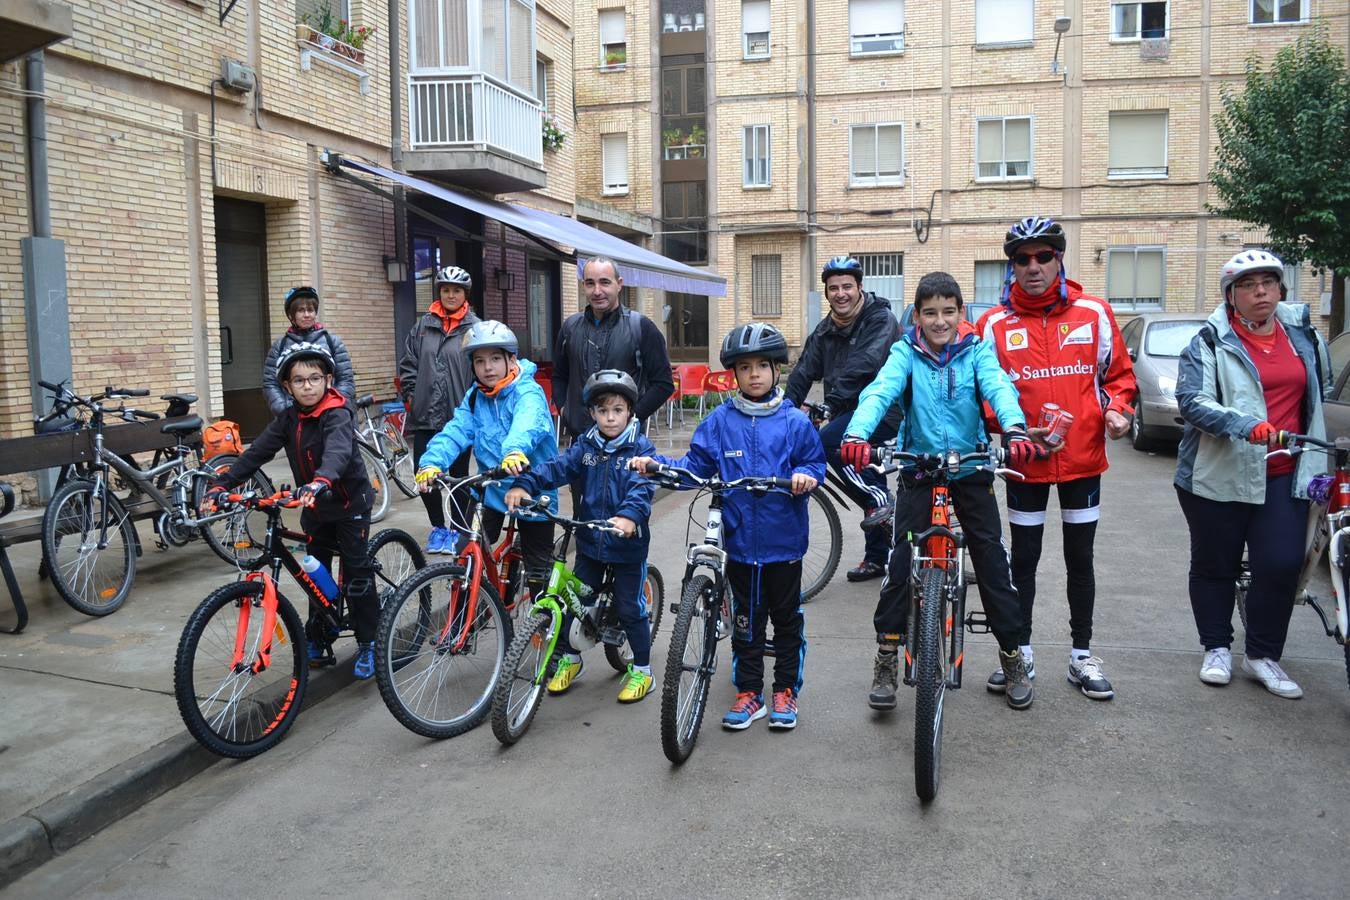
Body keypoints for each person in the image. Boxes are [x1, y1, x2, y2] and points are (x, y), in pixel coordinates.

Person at [843, 272, 1046, 711]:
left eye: (948, 312)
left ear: (961, 314)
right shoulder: (905, 352)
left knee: (992, 559)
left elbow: (999, 389)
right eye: (930, 313)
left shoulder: (976, 351)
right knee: (900, 562)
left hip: (971, 466)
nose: (939, 321)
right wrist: (858, 434)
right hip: (919, 466)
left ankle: (1011, 656)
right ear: (916, 316)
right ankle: (886, 657)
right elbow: (880, 392)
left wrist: (1013, 429)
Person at [631, 323, 826, 731]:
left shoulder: (794, 422)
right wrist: (658, 468)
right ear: (733, 375)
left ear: (777, 370)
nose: (753, 374)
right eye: (744, 367)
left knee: (787, 620)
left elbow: (814, 462)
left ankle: (785, 690)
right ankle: (749, 692)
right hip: (738, 545)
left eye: (762, 366)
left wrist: (806, 475)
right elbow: (695, 468)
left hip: (784, 545)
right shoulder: (720, 421)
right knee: (746, 623)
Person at [975, 216, 1137, 701]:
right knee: (1022, 561)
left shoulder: (1094, 312)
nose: (1033, 266)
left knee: (1079, 559)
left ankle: (1081, 656)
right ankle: (1018, 654)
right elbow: (983, 392)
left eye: (1044, 256)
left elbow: (1119, 378)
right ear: (1012, 267)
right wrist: (1007, 428)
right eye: (1022, 259)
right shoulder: (994, 324)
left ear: (1059, 259)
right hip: (1025, 462)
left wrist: (1119, 412)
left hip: (1083, 460)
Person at [1175, 250, 1330, 699]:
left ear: (1281, 289)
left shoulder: (1304, 337)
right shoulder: (1208, 341)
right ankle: (1217, 647)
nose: (1260, 291)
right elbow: (1192, 401)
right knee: (1215, 565)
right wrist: (1243, 424)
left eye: (1268, 282)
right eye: (1248, 285)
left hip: (1286, 473)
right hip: (1217, 473)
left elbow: (1318, 394)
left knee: (1281, 566)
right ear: (1231, 295)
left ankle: (1263, 654)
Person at [207, 341, 378, 678]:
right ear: (287, 386)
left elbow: (338, 453)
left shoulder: (337, 412)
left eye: (315, 378)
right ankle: (321, 633)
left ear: (328, 379)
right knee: (315, 574)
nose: (308, 386)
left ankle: (369, 641)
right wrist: (222, 485)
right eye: (299, 381)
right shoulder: (288, 417)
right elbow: (257, 454)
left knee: (357, 573)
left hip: (347, 504)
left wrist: (321, 481)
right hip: (314, 509)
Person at [505, 370, 659, 702]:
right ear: (592, 413)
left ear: (630, 411)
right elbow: (556, 468)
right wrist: (525, 483)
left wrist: (630, 517)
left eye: (618, 410)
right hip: (590, 541)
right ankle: (571, 660)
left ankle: (643, 670)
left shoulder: (640, 447)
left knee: (631, 608)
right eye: (603, 411)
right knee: (573, 602)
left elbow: (642, 488)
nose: (610, 418)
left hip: (627, 545)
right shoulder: (586, 445)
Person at [413, 320, 558, 606]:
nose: (487, 367)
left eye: (494, 359)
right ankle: (460, 625)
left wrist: (515, 451)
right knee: (467, 551)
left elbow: (527, 423)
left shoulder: (527, 392)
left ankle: (548, 631)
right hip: (490, 489)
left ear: (511, 359)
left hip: (531, 487)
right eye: (479, 361)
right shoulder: (474, 397)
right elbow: (455, 432)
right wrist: (430, 462)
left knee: (538, 570)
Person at [785, 255, 903, 583]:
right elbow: (803, 371)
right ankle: (878, 554)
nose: (841, 293)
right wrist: (783, 411)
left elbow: (865, 364)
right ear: (827, 293)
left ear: (859, 287)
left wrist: (827, 406)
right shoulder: (825, 330)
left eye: (847, 286)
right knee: (862, 468)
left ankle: (880, 500)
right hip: (847, 411)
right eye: (833, 288)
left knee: (826, 444)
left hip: (885, 408)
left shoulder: (880, 320)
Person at [398, 266, 481, 554]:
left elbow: (482, 372)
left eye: (456, 290)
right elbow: (408, 365)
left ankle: (458, 530)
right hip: (425, 416)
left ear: (465, 295)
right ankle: (438, 528)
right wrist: (412, 395)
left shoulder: (475, 328)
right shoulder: (423, 326)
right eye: (445, 290)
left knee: (458, 478)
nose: (450, 295)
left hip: (459, 417)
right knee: (425, 474)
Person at [553, 257, 675, 441]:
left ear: (619, 284)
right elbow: (559, 376)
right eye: (590, 283)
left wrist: (632, 417)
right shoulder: (570, 328)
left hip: (626, 445)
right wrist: (565, 411)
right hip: (581, 441)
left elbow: (663, 384)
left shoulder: (641, 327)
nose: (597, 291)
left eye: (604, 282)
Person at [262, 286, 356, 415]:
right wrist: (284, 410)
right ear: (291, 315)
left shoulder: (332, 342)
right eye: (301, 310)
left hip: (329, 414)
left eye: (310, 310)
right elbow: (270, 383)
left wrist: (333, 406)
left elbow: (345, 380)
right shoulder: (279, 346)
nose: (306, 315)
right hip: (293, 416)